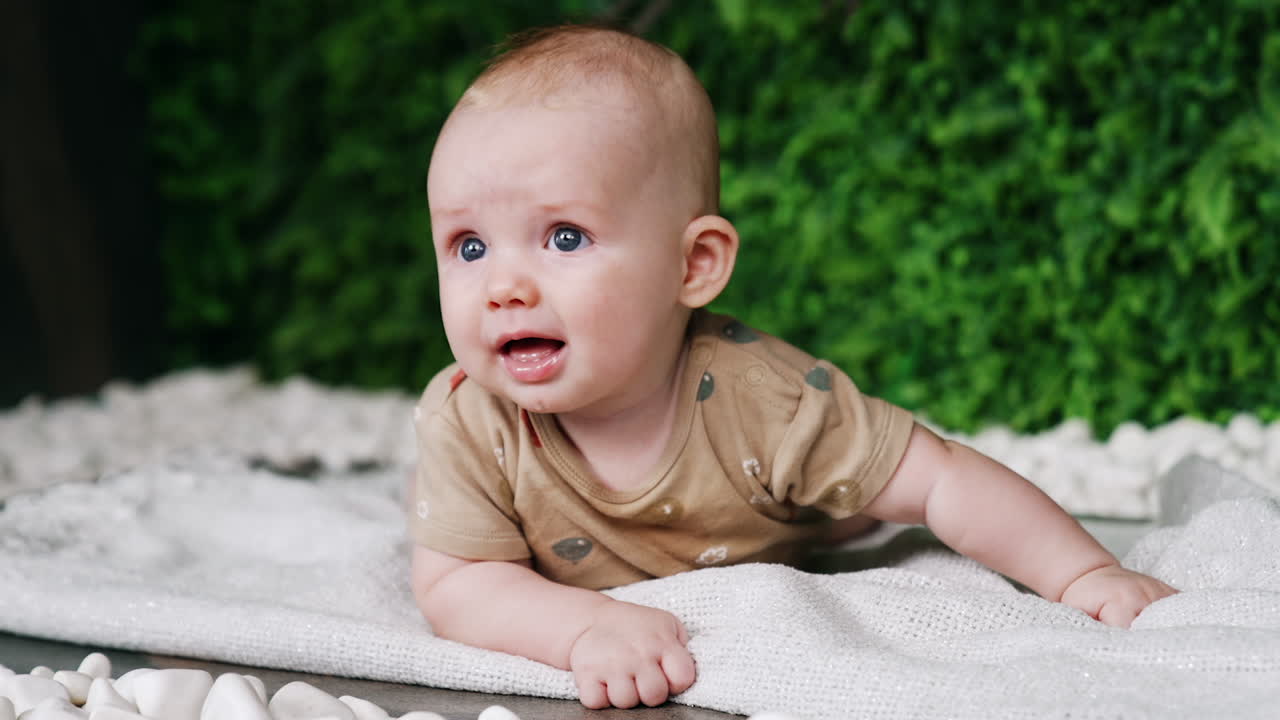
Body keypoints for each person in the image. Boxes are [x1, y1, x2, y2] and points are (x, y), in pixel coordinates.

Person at [407, 24, 1177, 710]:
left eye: (564, 237)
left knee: (860, 493)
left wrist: (1080, 576)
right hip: (611, 566)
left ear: (694, 266)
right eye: (469, 247)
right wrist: (584, 627)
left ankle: (843, 507)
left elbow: (944, 479)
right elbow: (456, 584)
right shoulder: (470, 419)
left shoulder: (763, 398)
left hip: (780, 510)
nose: (503, 287)